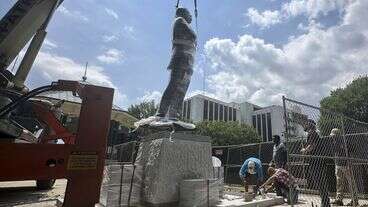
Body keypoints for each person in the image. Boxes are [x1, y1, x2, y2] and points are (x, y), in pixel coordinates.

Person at [156, 7, 197, 119]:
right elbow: (192, 35)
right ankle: (161, 112)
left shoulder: (183, 22)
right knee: (174, 85)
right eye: (189, 14)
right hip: (181, 58)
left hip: (188, 61)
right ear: (183, 13)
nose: (191, 16)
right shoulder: (179, 20)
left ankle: (174, 113)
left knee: (182, 89)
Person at [301, 119, 330, 207]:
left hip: (316, 162)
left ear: (309, 125)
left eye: (306, 123)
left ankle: (325, 203)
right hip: (316, 161)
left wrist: (304, 150)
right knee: (321, 183)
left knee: (320, 183)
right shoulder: (313, 133)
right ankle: (325, 203)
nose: (304, 125)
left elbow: (312, 145)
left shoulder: (312, 133)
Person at [330, 128, 358, 206]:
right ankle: (339, 200)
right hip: (338, 164)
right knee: (339, 183)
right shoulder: (333, 142)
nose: (333, 137)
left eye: (334, 136)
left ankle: (354, 200)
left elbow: (351, 152)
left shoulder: (345, 141)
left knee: (351, 183)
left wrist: (349, 163)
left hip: (346, 165)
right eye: (332, 136)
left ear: (338, 135)